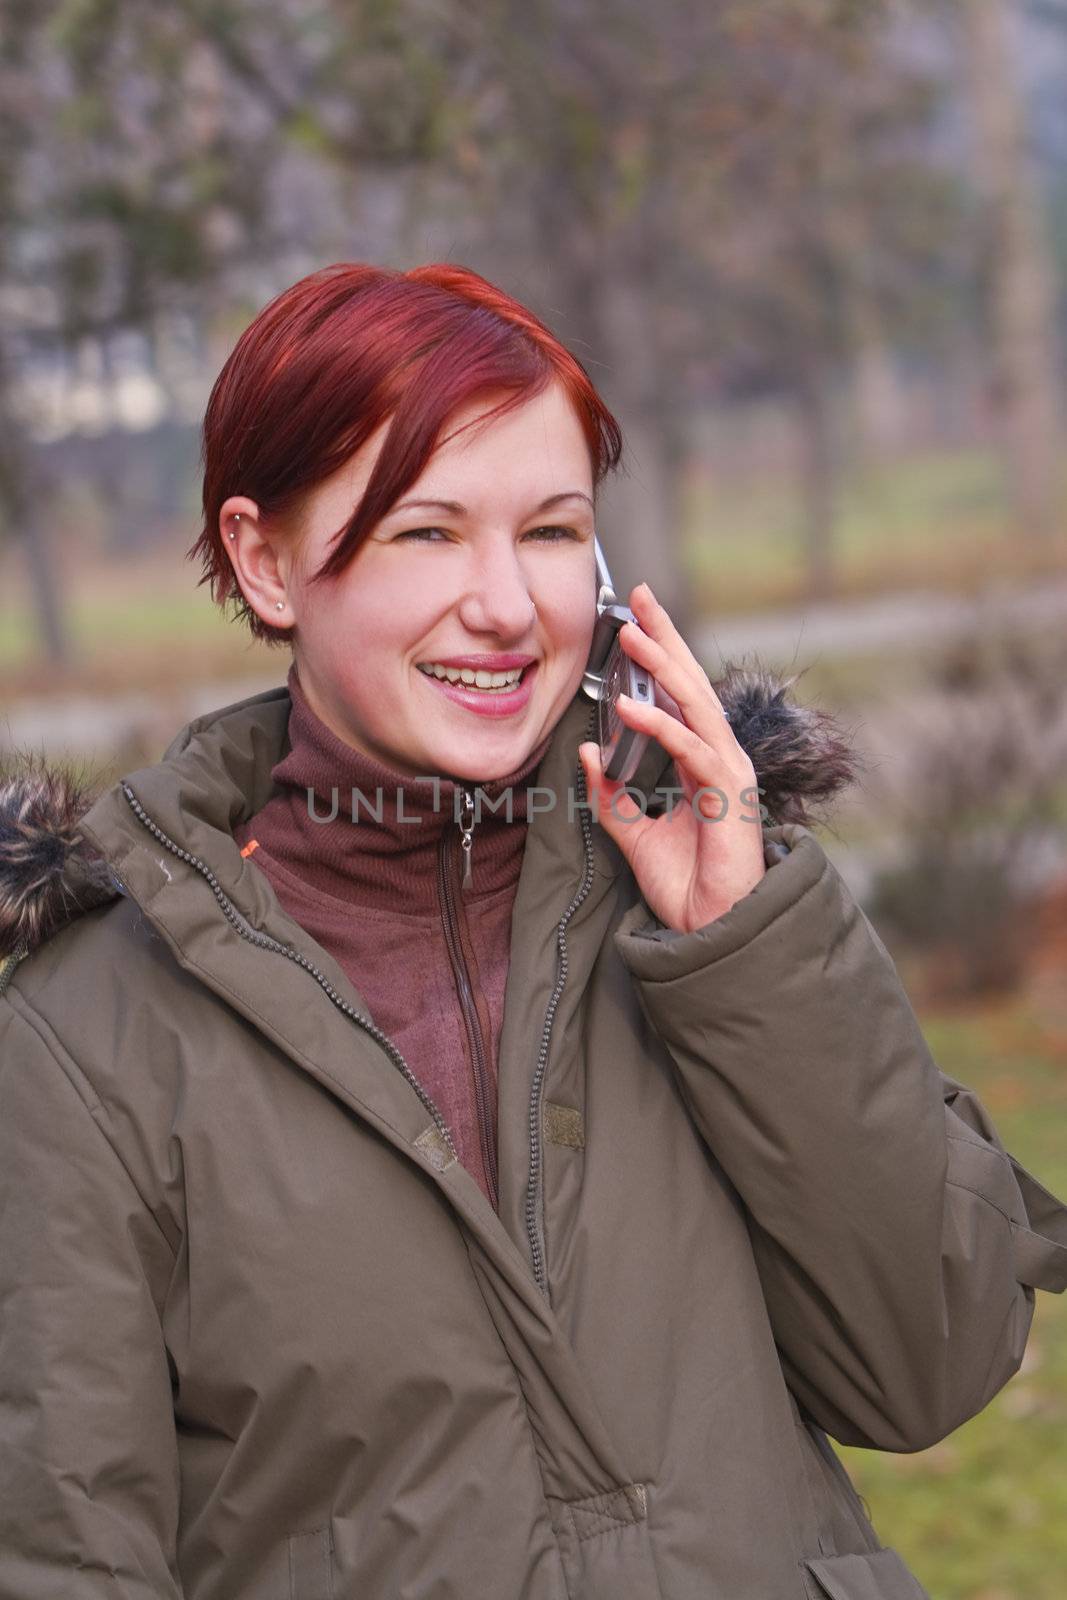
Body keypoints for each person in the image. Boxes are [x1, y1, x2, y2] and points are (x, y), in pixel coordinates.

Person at [1, 262, 1065, 1600]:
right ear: (267, 561)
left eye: (553, 532)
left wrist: (751, 963)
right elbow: (60, 1556)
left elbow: (933, 1365)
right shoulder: (87, 1036)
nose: (507, 605)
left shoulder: (715, 909)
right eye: (426, 533)